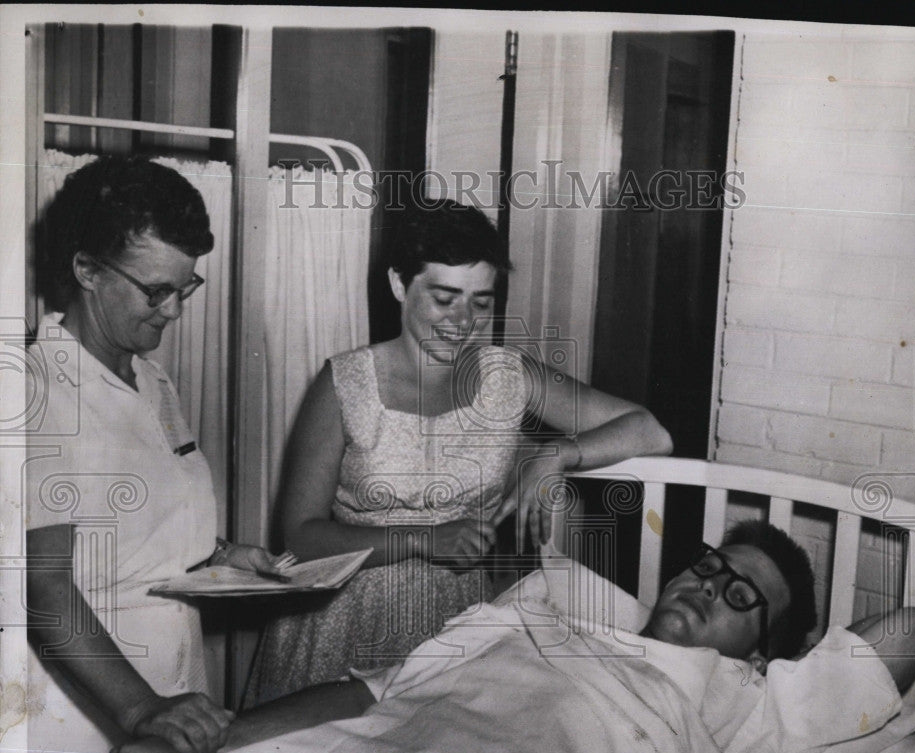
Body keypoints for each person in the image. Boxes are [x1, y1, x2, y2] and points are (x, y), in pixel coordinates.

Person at [109, 521, 915, 753]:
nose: (709, 586)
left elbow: (911, 625)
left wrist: (788, 672)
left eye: (741, 597)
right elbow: (375, 692)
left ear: (763, 653)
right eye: (709, 567)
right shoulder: (543, 613)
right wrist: (210, 739)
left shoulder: (756, 703)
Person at [244, 202, 674, 705]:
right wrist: (423, 539)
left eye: (481, 302)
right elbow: (299, 534)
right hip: (341, 621)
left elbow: (650, 431)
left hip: (455, 625)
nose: (463, 321)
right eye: (444, 298)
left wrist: (555, 454)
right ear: (400, 286)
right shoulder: (344, 382)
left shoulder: (509, 376)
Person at [24, 155, 281, 753]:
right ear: (85, 270)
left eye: (183, 288)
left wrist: (222, 555)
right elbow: (45, 589)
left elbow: (141, 517)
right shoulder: (39, 392)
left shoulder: (150, 378)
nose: (171, 311)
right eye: (153, 291)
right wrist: (143, 712)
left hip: (174, 693)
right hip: (90, 718)